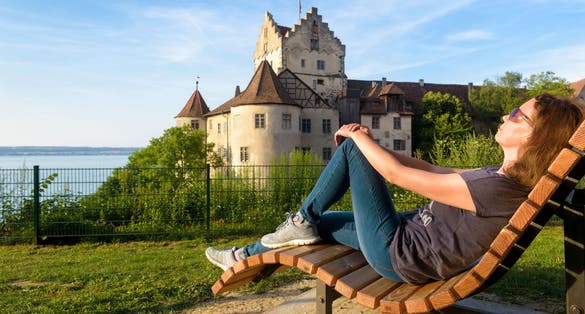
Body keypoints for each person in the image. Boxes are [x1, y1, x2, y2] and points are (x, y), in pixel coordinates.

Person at [205, 94, 583, 284]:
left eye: (517, 115)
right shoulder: (500, 179)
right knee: (319, 227)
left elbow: (401, 177)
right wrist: (377, 146)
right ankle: (246, 254)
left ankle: (301, 217)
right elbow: (431, 168)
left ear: (536, 136)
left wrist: (357, 138)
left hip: (399, 255)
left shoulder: (497, 190)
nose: (505, 115)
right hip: (405, 238)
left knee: (351, 148)